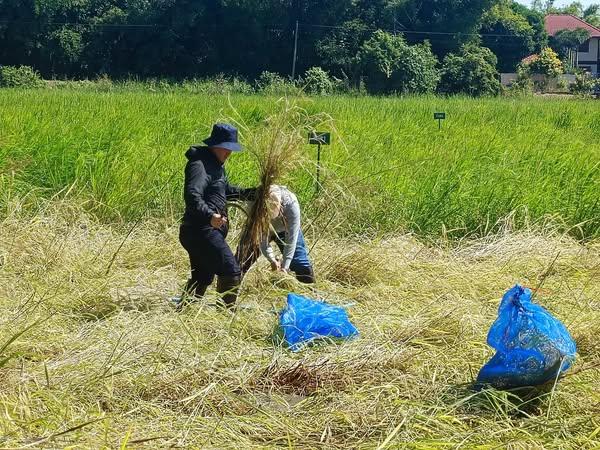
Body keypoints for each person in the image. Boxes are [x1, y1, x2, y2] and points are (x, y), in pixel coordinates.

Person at [179, 123, 256, 308]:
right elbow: (192, 194)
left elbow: (226, 192)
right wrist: (210, 216)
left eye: (232, 149)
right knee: (231, 270)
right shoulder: (200, 165)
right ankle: (225, 317)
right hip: (201, 231)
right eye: (226, 148)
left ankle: (185, 312)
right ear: (215, 145)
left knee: (203, 277)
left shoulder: (216, 166)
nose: (229, 153)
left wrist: (254, 193)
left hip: (200, 232)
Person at [240, 185, 315, 283]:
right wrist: (272, 260)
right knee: (241, 260)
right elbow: (261, 238)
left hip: (284, 229)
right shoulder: (254, 204)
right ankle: (231, 292)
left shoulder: (291, 203)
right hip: (263, 228)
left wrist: (285, 267)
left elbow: (291, 239)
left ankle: (309, 293)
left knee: (299, 263)